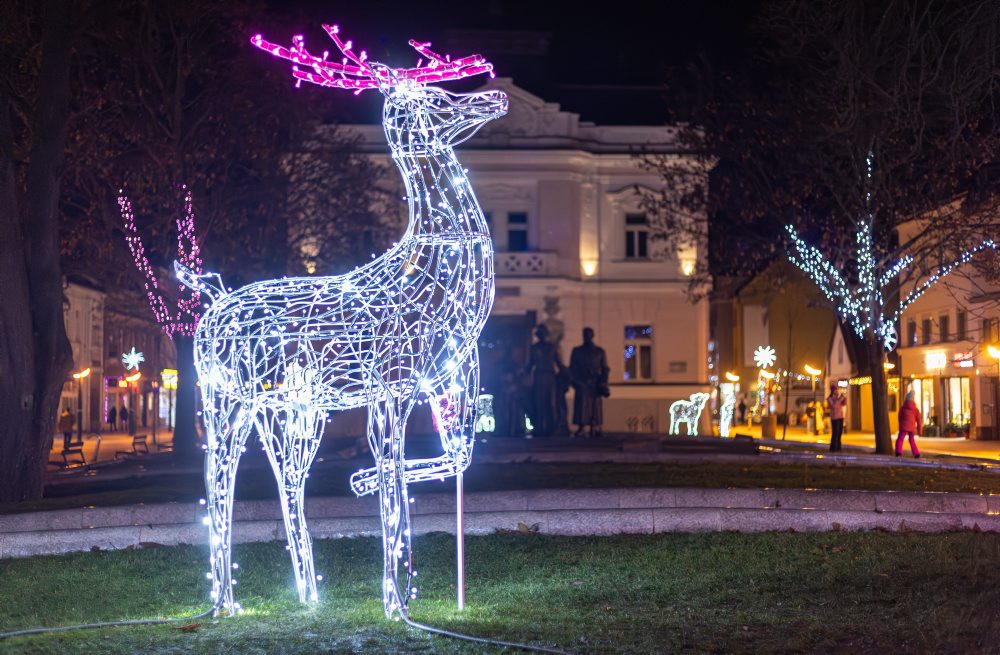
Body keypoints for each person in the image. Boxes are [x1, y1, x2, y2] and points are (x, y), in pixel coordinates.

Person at [525, 324, 565, 437]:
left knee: (551, 403)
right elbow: (530, 364)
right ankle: (539, 428)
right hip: (539, 376)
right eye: (539, 333)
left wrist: (566, 373)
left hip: (550, 376)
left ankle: (551, 428)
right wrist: (522, 373)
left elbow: (559, 363)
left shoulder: (552, 347)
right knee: (539, 403)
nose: (541, 335)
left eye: (543, 333)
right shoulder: (534, 348)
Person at [569, 327, 610, 437]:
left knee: (595, 405)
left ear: (592, 336)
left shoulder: (599, 351)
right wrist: (576, 382)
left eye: (588, 334)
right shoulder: (577, 351)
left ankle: (596, 425)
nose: (586, 337)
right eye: (585, 334)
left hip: (595, 382)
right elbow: (572, 368)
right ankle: (581, 426)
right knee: (581, 405)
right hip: (582, 382)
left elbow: (605, 368)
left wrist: (603, 382)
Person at [896, 391, 922, 458]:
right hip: (912, 427)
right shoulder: (915, 409)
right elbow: (919, 421)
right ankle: (916, 453)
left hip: (904, 427)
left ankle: (898, 452)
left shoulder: (902, 408)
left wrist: (900, 425)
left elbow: (899, 417)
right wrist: (920, 431)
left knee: (900, 439)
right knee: (911, 440)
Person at [827, 384, 847, 452]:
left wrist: (844, 398)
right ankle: (833, 448)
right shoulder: (830, 399)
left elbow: (844, 404)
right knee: (835, 433)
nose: (837, 391)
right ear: (832, 391)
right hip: (834, 418)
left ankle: (838, 447)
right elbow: (834, 406)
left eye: (837, 389)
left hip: (840, 417)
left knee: (839, 433)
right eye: (835, 390)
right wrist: (839, 399)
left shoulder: (838, 398)